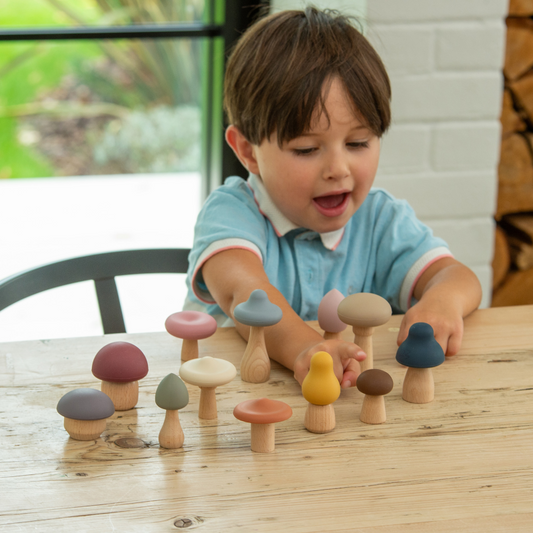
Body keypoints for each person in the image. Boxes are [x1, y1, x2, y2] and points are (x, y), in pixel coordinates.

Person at [184, 7, 482, 389]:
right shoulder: (231, 213)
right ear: (247, 150)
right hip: (228, 408)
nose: (338, 169)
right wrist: (306, 348)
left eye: (358, 143)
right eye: (307, 149)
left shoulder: (379, 219)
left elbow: (457, 276)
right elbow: (247, 295)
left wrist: (443, 301)